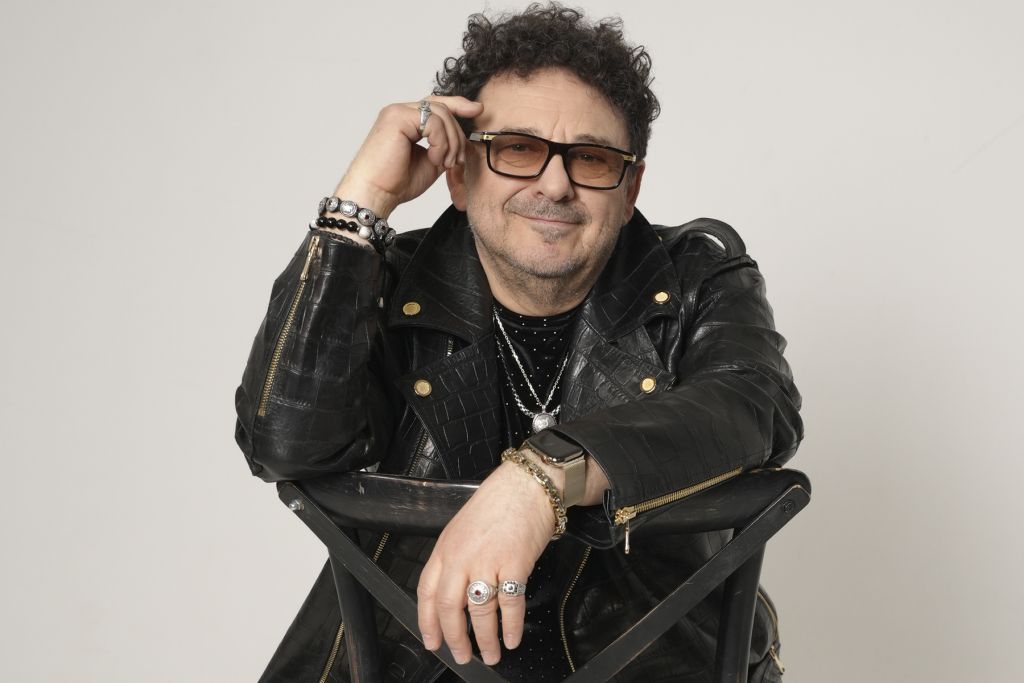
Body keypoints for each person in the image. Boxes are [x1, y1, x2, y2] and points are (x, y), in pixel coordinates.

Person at [234, 3, 803, 681]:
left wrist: (541, 478)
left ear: (630, 190)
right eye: (518, 150)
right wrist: (364, 200)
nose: (555, 185)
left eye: (591, 158)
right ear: (458, 174)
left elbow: (753, 405)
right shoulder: (386, 285)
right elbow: (285, 443)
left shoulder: (697, 279)